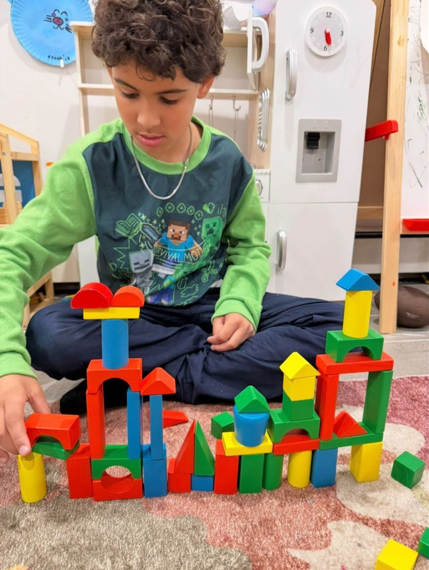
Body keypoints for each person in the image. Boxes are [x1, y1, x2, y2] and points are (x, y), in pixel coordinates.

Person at [0, 0, 344, 465]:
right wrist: (6, 359)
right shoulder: (92, 163)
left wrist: (240, 302)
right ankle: (183, 372)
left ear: (204, 85)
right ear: (109, 73)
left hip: (209, 311)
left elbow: (250, 248)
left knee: (339, 327)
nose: (145, 119)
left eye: (168, 98)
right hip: (128, 320)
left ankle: (128, 379)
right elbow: (14, 254)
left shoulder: (227, 164)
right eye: (127, 92)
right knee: (47, 334)